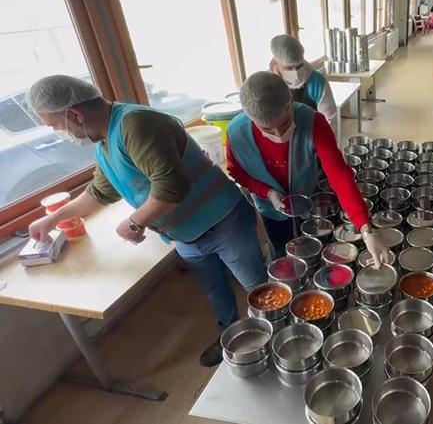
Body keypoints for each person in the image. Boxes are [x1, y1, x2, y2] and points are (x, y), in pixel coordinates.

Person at [26, 75, 267, 368]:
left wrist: (135, 222)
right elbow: (99, 192)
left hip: (223, 221)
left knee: (257, 287)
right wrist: (53, 219)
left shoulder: (135, 125)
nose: (60, 132)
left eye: (57, 125)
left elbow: (170, 188)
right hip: (186, 235)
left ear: (74, 114)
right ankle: (231, 335)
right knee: (216, 289)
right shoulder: (105, 143)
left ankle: (272, 337)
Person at [225, 71, 389, 266]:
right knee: (282, 252)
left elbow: (339, 175)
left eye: (285, 123)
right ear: (251, 119)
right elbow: (237, 172)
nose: (279, 134)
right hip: (269, 208)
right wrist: (267, 193)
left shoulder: (313, 122)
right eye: (267, 130)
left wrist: (366, 229)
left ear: (291, 102)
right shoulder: (236, 134)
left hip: (307, 202)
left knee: (314, 249)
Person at [270, 35, 338, 137]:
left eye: (299, 66)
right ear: (276, 62)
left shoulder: (317, 83)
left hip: (313, 136)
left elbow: (330, 119)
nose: (295, 72)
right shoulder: (268, 84)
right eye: (289, 68)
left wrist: (325, 144)